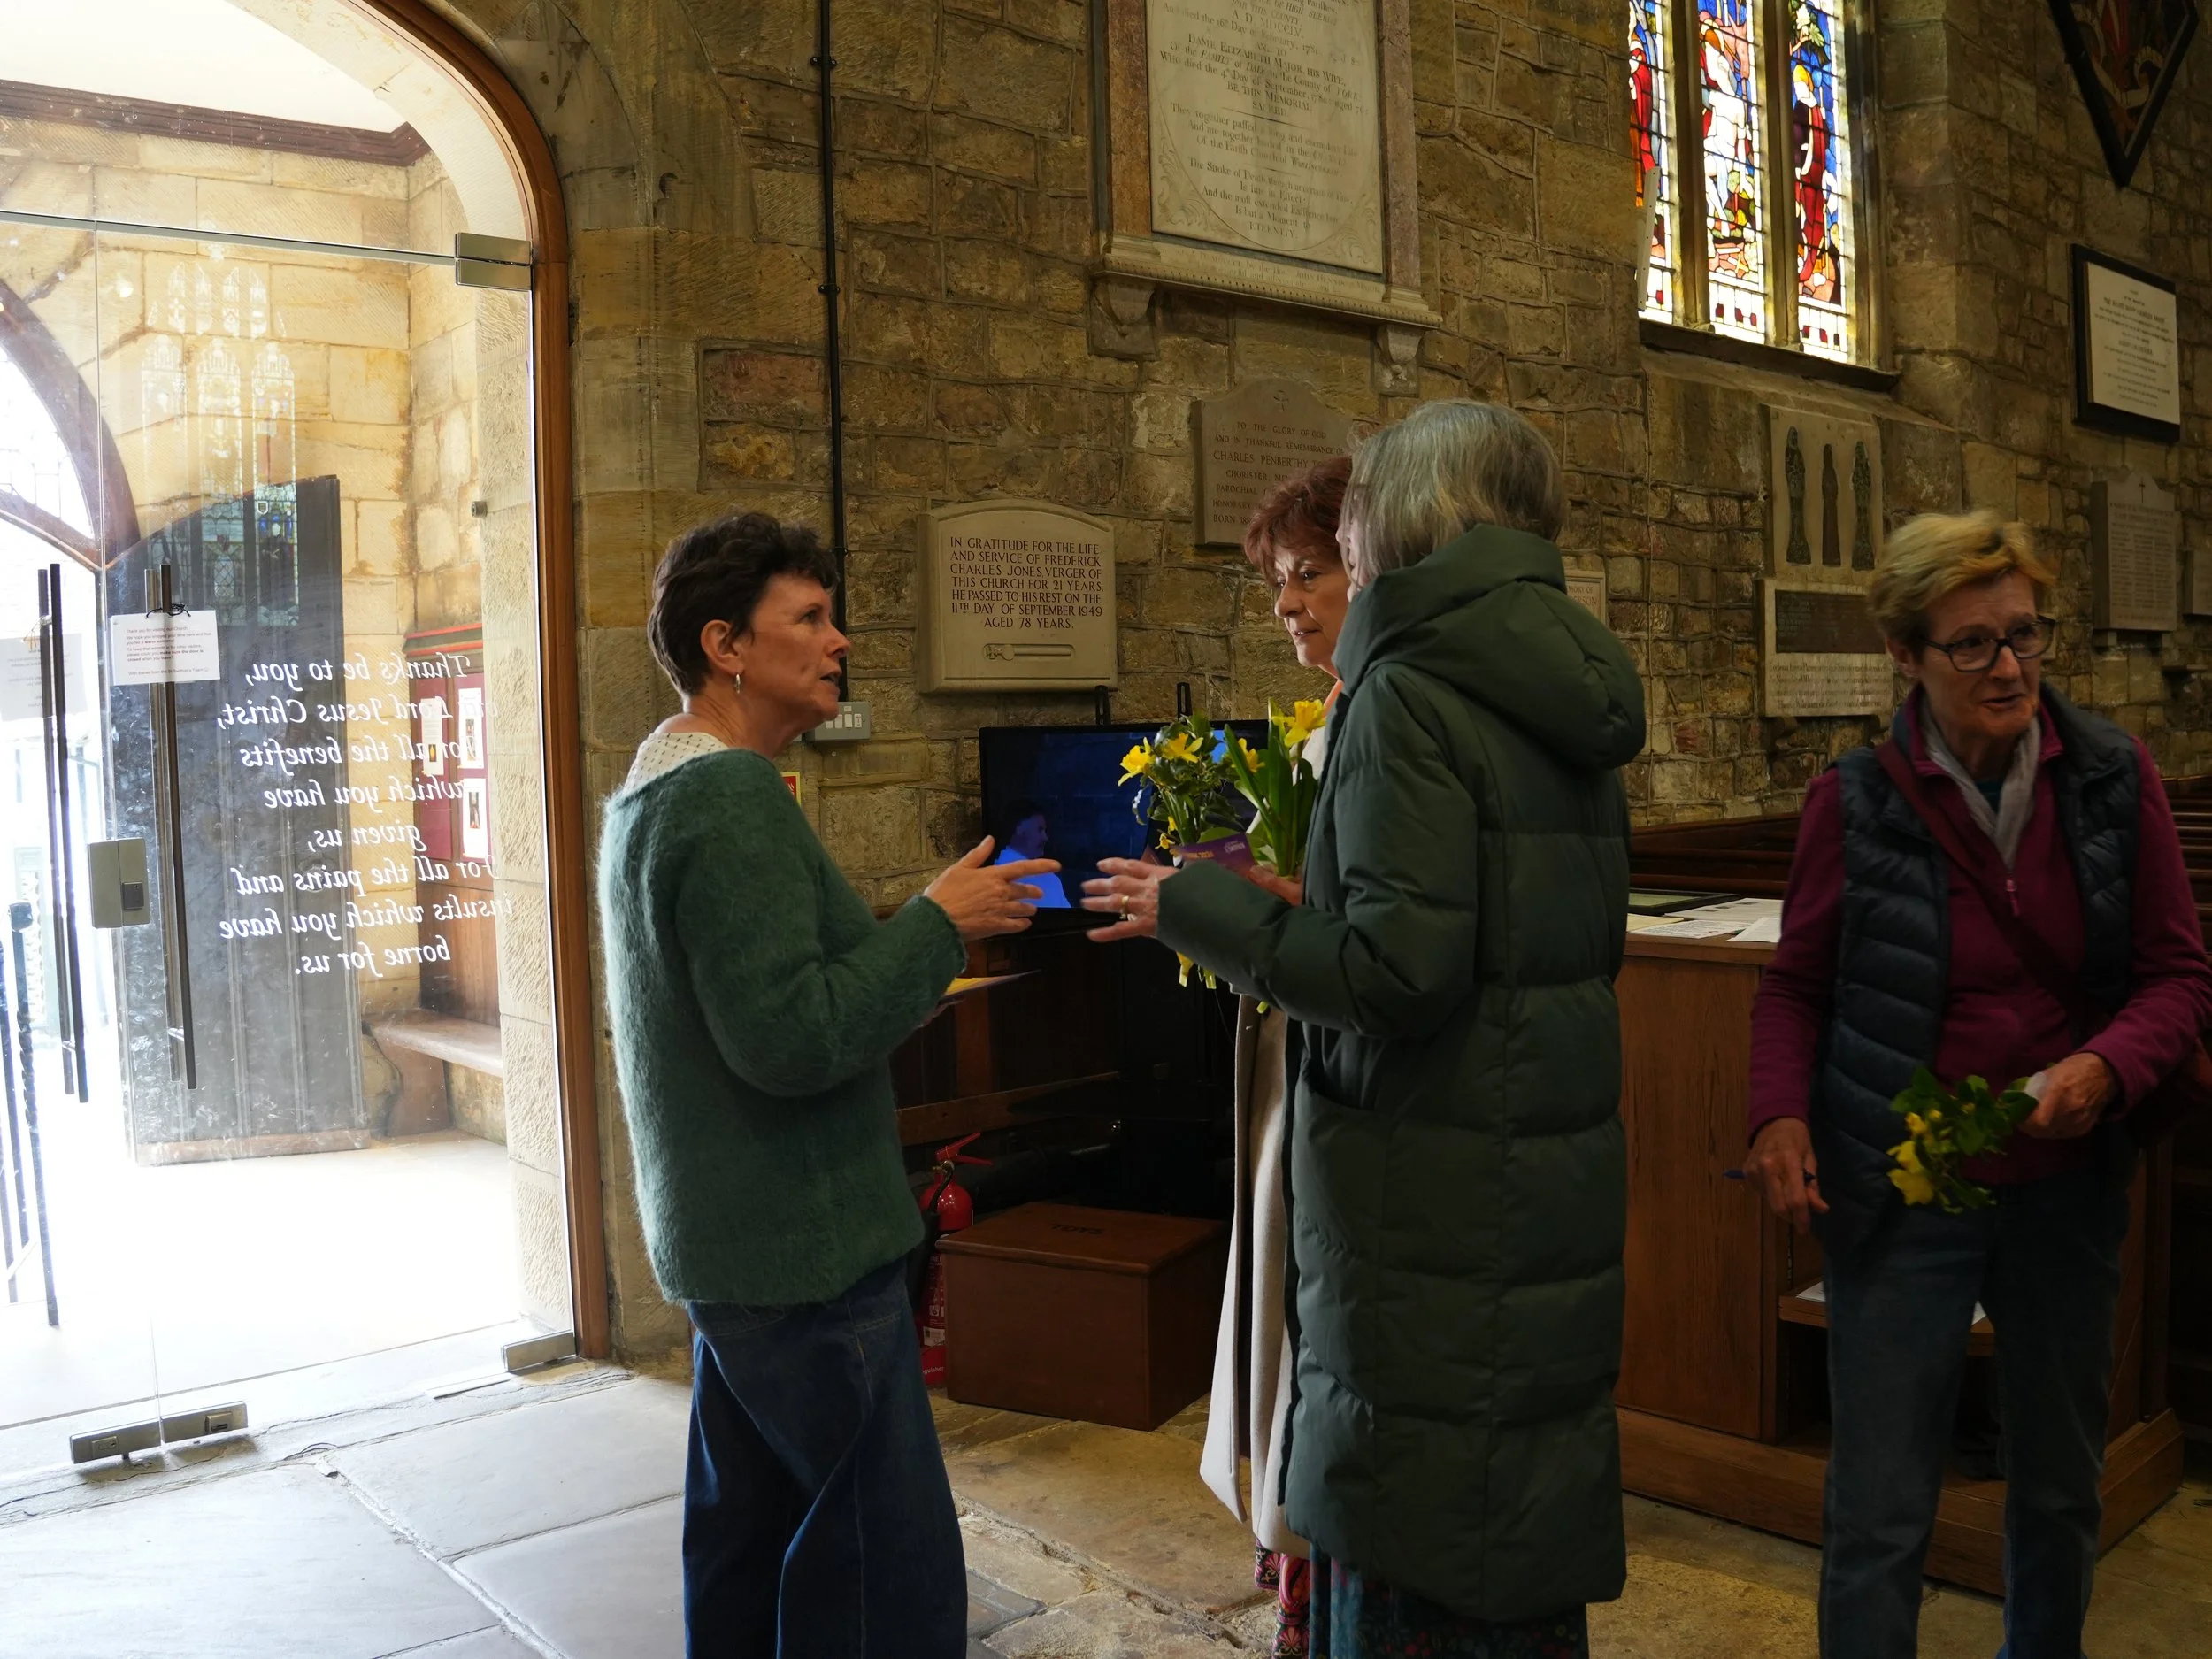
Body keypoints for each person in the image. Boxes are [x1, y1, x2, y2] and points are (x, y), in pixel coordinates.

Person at [1085, 402, 1643, 1655]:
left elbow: (1400, 973)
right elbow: (1503, 929)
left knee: (1417, 1532)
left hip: (1424, 1192)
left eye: (1344, 526)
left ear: (1401, 521)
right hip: (1528, 1170)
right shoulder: (1560, 677)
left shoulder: (1405, 692)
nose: (1338, 544)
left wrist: (1204, 908)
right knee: (1504, 1522)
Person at [1743, 510, 2212, 1658]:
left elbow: (2178, 971)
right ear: (1906, 654)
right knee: (1882, 1503)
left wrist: (2109, 1062)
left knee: (2056, 1487)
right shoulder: (1851, 801)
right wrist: (1780, 1112)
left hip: (2062, 1189)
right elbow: (1797, 986)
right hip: (1905, 1191)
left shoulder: (2108, 776)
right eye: (1974, 644)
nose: (2010, 666)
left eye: (2025, 634)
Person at [597, 511, 1056, 1658]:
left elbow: (765, 1001)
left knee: (749, 1540)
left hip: (737, 1243)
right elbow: (793, 1038)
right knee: (883, 1563)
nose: (839, 639)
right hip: (802, 1252)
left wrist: (920, 927)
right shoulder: (728, 798)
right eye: (808, 616)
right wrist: (938, 930)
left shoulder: (666, 790)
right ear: (726, 645)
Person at [1191, 454, 1350, 1659]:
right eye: (1278, 582)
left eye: (1309, 574)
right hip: (1299, 1056)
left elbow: (1385, 934)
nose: (1287, 603)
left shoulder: (1386, 717)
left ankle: (1322, 1592)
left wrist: (1264, 909)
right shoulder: (1336, 715)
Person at [992, 802, 1070, 908]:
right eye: (1039, 829)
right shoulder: (997, 876)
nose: (1045, 838)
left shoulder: (1052, 880)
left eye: (1045, 831)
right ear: (1019, 828)